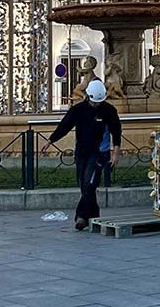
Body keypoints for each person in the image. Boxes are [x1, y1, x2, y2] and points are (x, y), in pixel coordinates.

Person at [48, 79, 122, 231]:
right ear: (88, 97)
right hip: (82, 152)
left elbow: (116, 131)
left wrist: (115, 153)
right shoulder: (78, 110)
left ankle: (81, 217)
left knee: (90, 183)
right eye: (94, 103)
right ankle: (93, 215)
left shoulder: (108, 110)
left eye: (99, 103)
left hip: (100, 153)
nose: (97, 106)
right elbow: (65, 125)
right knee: (84, 184)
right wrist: (51, 140)